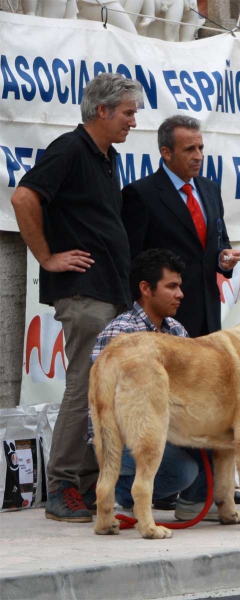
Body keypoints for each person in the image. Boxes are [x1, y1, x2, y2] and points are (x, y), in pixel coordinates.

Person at [11, 73, 143, 523]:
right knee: (86, 386)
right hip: (85, 295)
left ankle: (87, 487)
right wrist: (47, 257)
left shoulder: (107, 158)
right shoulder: (69, 149)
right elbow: (24, 197)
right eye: (127, 113)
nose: (133, 122)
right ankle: (63, 484)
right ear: (102, 111)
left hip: (111, 291)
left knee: (104, 391)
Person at [121, 115, 240, 519]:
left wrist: (224, 259)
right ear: (166, 152)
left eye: (201, 148)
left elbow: (217, 241)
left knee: (209, 402)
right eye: (189, 149)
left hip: (207, 316)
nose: (198, 156)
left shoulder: (209, 189)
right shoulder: (140, 195)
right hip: (165, 328)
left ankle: (206, 493)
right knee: (175, 407)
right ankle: (169, 488)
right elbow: (134, 264)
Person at [90, 249, 219, 514]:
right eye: (171, 286)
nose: (180, 294)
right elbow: (102, 401)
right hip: (122, 437)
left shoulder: (176, 330)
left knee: (221, 434)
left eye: (180, 286)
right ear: (145, 288)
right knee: (183, 471)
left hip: (166, 428)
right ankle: (126, 493)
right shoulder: (121, 330)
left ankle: (201, 502)